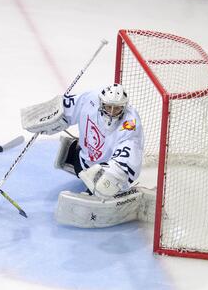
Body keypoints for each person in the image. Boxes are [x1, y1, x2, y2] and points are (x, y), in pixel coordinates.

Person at [21, 84, 151, 227]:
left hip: (101, 172)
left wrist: (113, 173)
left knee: (106, 185)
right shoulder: (89, 100)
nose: (112, 112)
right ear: (101, 103)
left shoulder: (130, 122)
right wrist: (54, 116)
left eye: (118, 108)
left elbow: (131, 148)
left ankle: (110, 190)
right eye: (108, 107)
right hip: (82, 164)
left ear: (124, 107)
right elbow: (67, 106)